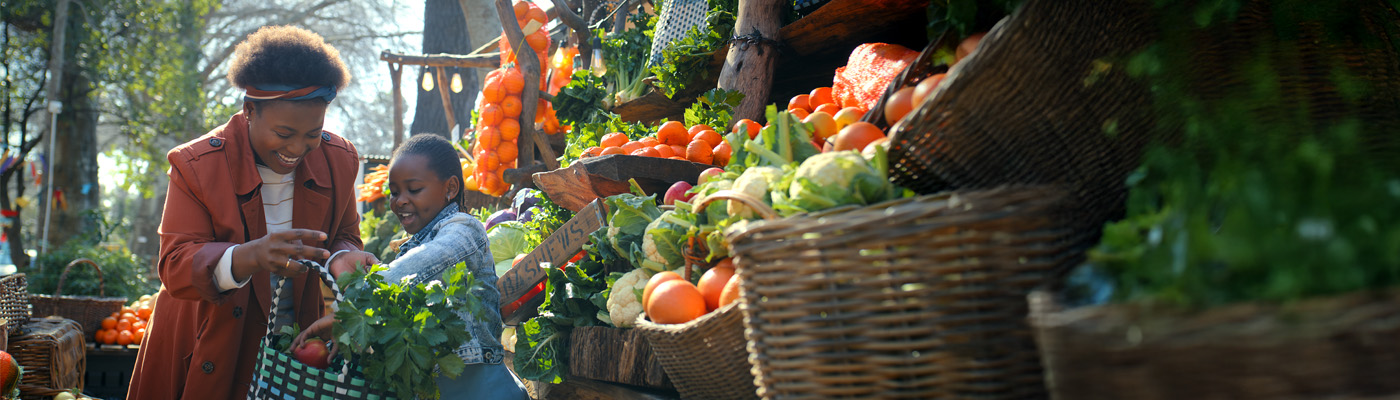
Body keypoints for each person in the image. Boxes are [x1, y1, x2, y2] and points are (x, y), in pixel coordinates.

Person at [128, 25, 377, 400]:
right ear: (249, 110)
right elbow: (175, 265)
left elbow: (343, 233)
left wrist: (342, 256)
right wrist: (250, 256)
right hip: (207, 341)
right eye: (284, 132)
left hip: (294, 346)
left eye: (313, 133)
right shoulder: (196, 165)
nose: (298, 148)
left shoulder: (339, 159)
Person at [294, 134, 530, 399]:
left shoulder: (464, 229)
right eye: (394, 193)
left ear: (450, 188)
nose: (400, 201)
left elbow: (429, 260)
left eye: (414, 190)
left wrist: (352, 311)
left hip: (483, 389)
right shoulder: (409, 248)